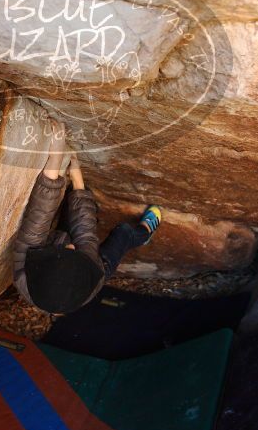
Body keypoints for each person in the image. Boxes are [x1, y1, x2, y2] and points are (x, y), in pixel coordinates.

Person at [13, 121, 162, 314]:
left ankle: (77, 212)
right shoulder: (90, 269)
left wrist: (56, 158)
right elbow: (85, 233)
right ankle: (145, 232)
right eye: (75, 251)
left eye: (69, 250)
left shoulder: (25, 264)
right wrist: (77, 179)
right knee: (123, 233)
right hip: (92, 270)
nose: (73, 246)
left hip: (62, 261)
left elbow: (39, 215)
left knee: (76, 198)